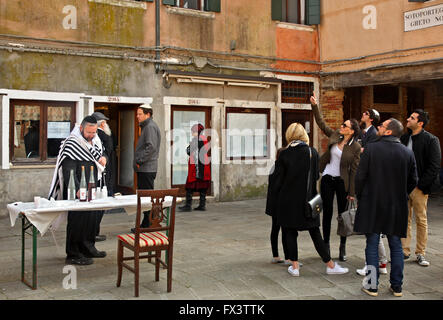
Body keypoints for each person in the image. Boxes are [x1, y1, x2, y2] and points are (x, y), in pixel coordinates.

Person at [272, 123, 349, 277]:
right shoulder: (311, 152)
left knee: (289, 232)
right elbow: (315, 177)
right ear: (303, 135)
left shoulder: (284, 154)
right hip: (308, 200)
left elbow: (277, 180)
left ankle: (295, 267)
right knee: (315, 233)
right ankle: (330, 265)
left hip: (287, 201)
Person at [354, 118, 417, 297]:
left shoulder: (371, 149)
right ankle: (397, 286)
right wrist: (401, 194)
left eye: (382, 126)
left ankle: (372, 285)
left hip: (372, 202)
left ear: (389, 132)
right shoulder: (407, 152)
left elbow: (360, 177)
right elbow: (414, 180)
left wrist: (361, 195)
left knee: (372, 244)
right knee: (396, 245)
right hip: (396, 204)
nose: (379, 128)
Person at [48, 116, 108, 265]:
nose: (92, 135)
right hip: (78, 189)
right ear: (81, 128)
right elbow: (68, 170)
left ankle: (89, 247)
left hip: (93, 185)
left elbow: (103, 153)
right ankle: (73, 253)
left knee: (92, 219)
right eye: (89, 132)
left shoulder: (95, 141)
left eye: (94, 132)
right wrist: (75, 189)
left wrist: (104, 158)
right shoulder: (71, 143)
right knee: (78, 221)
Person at [310, 94, 361, 261]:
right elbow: (321, 124)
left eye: (344, 125)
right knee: (327, 213)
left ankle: (342, 245)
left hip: (342, 183)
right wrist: (315, 106)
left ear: (351, 130)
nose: (341, 126)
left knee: (343, 214)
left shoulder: (355, 147)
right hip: (327, 179)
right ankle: (325, 245)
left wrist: (352, 192)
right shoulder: (335, 136)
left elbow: (354, 171)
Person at [400, 109, 441, 266]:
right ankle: (404, 251)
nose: (408, 119)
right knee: (405, 219)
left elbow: (434, 165)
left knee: (421, 219)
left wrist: (421, 185)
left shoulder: (431, 140)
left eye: (412, 118)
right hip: (404, 185)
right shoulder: (404, 138)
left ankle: (420, 253)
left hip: (419, 187)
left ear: (420, 123)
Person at [356, 108, 388, 275]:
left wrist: (360, 150)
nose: (363, 114)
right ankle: (381, 263)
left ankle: (375, 263)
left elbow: (367, 152)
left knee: (372, 228)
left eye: (366, 113)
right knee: (374, 229)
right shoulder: (364, 132)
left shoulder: (373, 133)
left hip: (370, 185)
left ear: (372, 118)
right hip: (369, 184)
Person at [133, 104, 161, 229]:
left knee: (146, 197)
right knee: (146, 196)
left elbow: (151, 147)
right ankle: (147, 222)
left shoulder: (149, 126)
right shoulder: (148, 126)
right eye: (137, 114)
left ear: (147, 114)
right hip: (146, 168)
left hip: (146, 168)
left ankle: (148, 223)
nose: (137, 116)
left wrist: (139, 160)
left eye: (140, 114)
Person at [91, 111, 116, 243]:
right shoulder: (101, 135)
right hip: (102, 174)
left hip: (103, 172)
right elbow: (109, 149)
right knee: (99, 205)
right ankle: (94, 232)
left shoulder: (100, 134)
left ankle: (95, 232)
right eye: (104, 122)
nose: (106, 124)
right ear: (101, 124)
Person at [178, 123, 211, 212]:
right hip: (204, 166)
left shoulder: (196, 140)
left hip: (197, 167)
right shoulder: (204, 139)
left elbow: (190, 151)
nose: (192, 133)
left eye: (193, 131)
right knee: (203, 186)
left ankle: (188, 206)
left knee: (190, 186)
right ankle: (202, 205)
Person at [265, 147, 290, 265]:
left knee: (275, 229)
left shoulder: (274, 167)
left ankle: (276, 255)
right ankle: (288, 257)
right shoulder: (281, 169)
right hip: (280, 204)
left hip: (273, 204)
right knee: (285, 230)